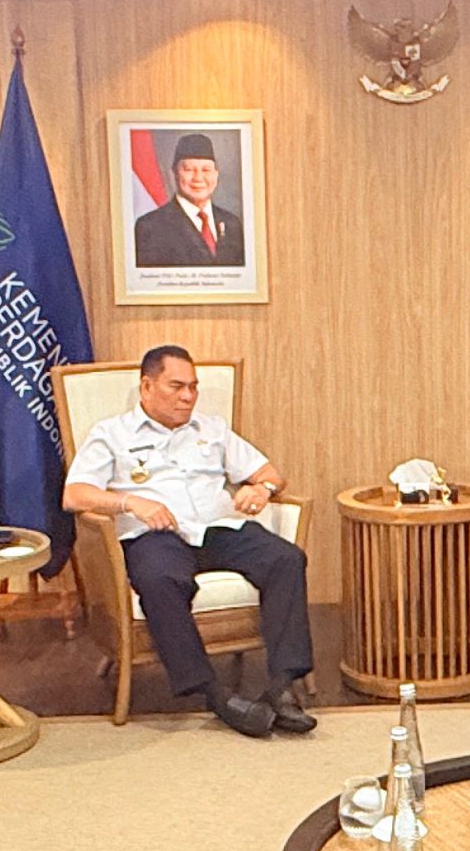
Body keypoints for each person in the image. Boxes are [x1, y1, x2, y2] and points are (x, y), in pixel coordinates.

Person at [63, 345, 313, 737]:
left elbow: (270, 473)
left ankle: (282, 686)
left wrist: (261, 489)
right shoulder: (112, 434)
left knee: (286, 559)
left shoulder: (212, 429)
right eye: (177, 386)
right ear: (146, 386)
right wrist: (130, 501)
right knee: (161, 582)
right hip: (156, 534)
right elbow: (74, 494)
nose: (188, 396)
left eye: (193, 387)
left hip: (218, 528)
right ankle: (214, 694)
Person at [132, 133, 246, 268]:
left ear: (216, 175)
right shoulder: (150, 226)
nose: (198, 178)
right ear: (174, 173)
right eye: (189, 169)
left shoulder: (232, 223)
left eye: (206, 170)